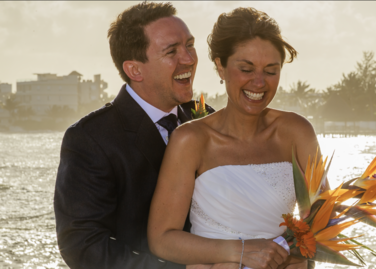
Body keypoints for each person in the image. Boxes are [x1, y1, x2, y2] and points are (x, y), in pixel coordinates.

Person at [147, 7, 319, 269]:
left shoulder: (297, 132)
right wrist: (239, 252)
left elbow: (325, 221)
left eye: (271, 71)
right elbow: (162, 239)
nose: (259, 82)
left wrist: (296, 260)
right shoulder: (191, 140)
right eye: (246, 69)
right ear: (220, 67)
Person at [53, 2, 216, 268]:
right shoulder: (90, 138)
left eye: (189, 44)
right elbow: (83, 245)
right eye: (171, 51)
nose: (188, 58)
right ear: (135, 70)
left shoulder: (207, 117)